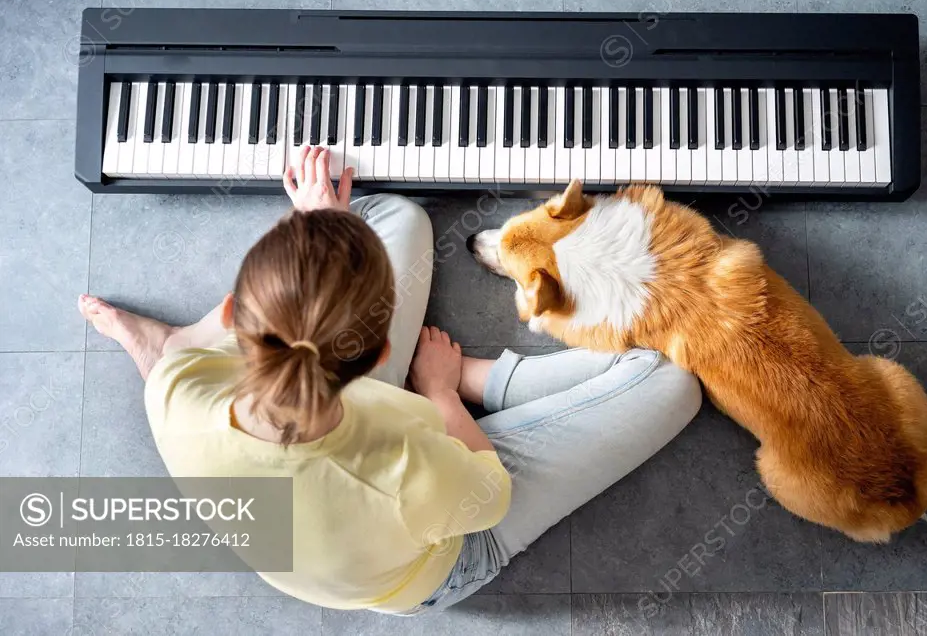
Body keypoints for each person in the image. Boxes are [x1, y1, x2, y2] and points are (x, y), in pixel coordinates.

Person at [78, 146, 702, 614]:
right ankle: (474, 381)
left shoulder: (176, 390)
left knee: (393, 215)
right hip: (436, 557)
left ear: (237, 314)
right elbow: (489, 495)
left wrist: (317, 227)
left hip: (324, 486)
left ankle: (161, 336)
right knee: (674, 376)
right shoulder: (408, 463)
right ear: (379, 352)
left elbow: (232, 343)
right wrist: (439, 389)